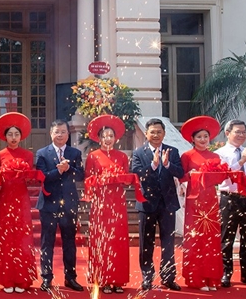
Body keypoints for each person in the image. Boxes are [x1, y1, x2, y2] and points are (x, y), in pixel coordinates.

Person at [129, 118, 183, 292]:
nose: (156, 135)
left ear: (164, 133)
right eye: (152, 131)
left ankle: (168, 277)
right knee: (147, 242)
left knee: (168, 242)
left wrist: (167, 164)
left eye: (159, 131)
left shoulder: (172, 151)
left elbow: (180, 172)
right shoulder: (139, 153)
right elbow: (136, 174)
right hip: (147, 203)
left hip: (168, 204)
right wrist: (153, 164)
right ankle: (147, 276)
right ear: (146, 133)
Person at [85, 115, 134, 294]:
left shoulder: (121, 156)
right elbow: (88, 180)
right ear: (99, 138)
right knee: (102, 239)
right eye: (105, 136)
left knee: (118, 240)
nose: (108, 139)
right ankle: (103, 279)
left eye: (111, 136)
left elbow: (127, 178)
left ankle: (118, 280)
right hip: (100, 202)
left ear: (116, 138)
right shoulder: (93, 156)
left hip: (118, 202)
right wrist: (100, 179)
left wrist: (119, 178)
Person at [35, 119, 85, 292]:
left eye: (63, 132)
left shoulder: (75, 153)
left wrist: (69, 168)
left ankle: (70, 277)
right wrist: (59, 171)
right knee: (46, 242)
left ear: (68, 134)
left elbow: (80, 176)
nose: (60, 135)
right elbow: (42, 176)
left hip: (69, 204)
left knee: (69, 242)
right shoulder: (42, 153)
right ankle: (46, 278)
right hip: (48, 204)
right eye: (57, 132)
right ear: (51, 133)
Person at [0, 112, 39, 293]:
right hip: (5, 199)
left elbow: (31, 178)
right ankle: (7, 279)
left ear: (21, 136)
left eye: (16, 134)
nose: (13, 138)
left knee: (22, 238)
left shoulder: (27, 155)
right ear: (5, 136)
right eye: (10, 134)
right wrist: (2, 175)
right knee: (6, 238)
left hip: (21, 199)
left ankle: (22, 278)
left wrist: (23, 174)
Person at [215, 120, 246, 288]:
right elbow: (223, 175)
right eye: (238, 132)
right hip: (230, 197)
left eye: (244, 132)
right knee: (226, 238)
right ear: (227, 133)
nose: (241, 135)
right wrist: (242, 161)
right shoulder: (220, 153)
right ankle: (225, 273)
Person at [179, 115, 224, 291]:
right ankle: (195, 277)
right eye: (199, 137)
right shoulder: (187, 155)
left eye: (206, 136)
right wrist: (192, 175)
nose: (203, 140)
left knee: (211, 238)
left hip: (211, 200)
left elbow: (220, 178)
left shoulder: (215, 156)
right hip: (194, 200)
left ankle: (211, 277)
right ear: (192, 139)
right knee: (195, 238)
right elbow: (181, 176)